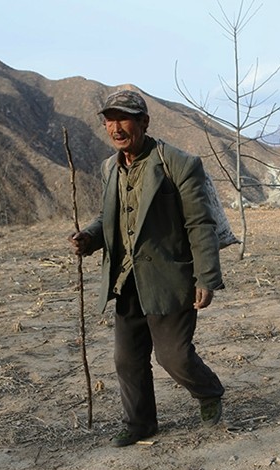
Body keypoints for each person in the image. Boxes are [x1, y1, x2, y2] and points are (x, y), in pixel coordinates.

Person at [68, 89, 225, 447]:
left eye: (124, 118)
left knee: (174, 356)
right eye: (109, 120)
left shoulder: (178, 164)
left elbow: (200, 225)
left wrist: (206, 277)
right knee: (127, 360)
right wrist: (89, 238)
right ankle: (140, 423)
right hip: (126, 281)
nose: (116, 127)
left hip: (169, 277)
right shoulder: (111, 167)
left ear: (144, 122)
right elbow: (106, 216)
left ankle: (210, 392)